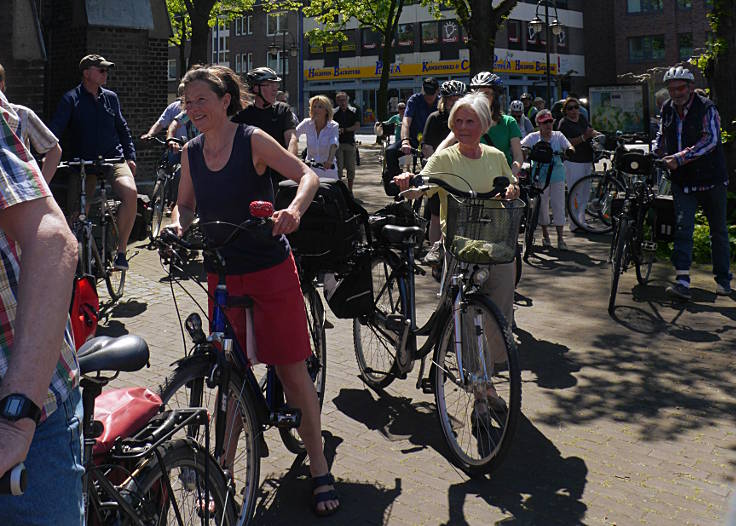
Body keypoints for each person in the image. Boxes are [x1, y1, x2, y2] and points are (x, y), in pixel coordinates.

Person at [167, 65, 339, 516]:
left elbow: (307, 176)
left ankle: (319, 465)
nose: (193, 109)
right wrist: (176, 223)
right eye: (188, 103)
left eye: (201, 100)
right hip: (222, 273)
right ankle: (222, 465)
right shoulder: (190, 151)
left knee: (289, 369)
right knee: (229, 375)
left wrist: (293, 212)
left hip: (267, 267)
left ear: (226, 100)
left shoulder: (252, 140)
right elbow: (185, 204)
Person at [393, 92, 520, 389]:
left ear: (484, 125)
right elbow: (422, 184)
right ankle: (481, 385)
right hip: (460, 244)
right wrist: (408, 183)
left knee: (499, 312)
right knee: (465, 314)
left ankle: (488, 367)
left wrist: (511, 191)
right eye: (458, 121)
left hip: (494, 242)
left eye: (470, 121)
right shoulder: (445, 158)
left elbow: (510, 185)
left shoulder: (496, 156)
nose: (463, 127)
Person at [0, 89, 82, 525]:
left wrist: (15, 420)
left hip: (26, 412)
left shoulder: (20, 113)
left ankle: (123, 247)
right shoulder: (70, 98)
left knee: (127, 192)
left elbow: (55, 147)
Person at [49, 54, 138, 270]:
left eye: (106, 70)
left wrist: (130, 156)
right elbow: (55, 131)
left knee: (130, 193)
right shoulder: (71, 99)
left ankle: (121, 252)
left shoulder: (111, 98)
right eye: (101, 70)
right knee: (76, 212)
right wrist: (47, 152)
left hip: (113, 158)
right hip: (84, 163)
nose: (106, 74)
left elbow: (122, 128)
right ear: (87, 73)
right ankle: (73, 261)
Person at [653, 65, 731, 299]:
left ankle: (723, 280)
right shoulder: (667, 108)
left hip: (711, 179)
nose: (676, 93)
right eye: (672, 89)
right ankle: (682, 281)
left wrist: (679, 157)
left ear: (691, 88)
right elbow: (662, 135)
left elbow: (711, 140)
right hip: (683, 181)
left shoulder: (706, 108)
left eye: (680, 88)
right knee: (682, 228)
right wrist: (657, 151)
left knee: (718, 231)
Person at [436, 72, 524, 178]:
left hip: (500, 179)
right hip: (471, 179)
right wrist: (432, 163)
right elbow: (447, 142)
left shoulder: (509, 122)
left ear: (495, 97)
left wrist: (511, 175)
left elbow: (518, 156)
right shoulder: (466, 121)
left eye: (486, 93)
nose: (481, 97)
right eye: (477, 93)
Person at [421, 80, 467, 265]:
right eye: (451, 100)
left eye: (458, 99)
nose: (454, 103)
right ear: (444, 101)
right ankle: (436, 256)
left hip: (463, 172)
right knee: (436, 215)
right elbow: (427, 146)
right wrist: (436, 166)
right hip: (441, 172)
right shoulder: (435, 118)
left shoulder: (466, 120)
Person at [231, 67, 298, 193]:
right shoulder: (243, 115)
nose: (275, 88)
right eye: (270, 84)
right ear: (256, 88)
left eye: (276, 84)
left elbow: (292, 139)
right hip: (251, 176)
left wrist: (291, 163)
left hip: (280, 174)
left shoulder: (282, 110)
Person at [521, 109, 573, 250]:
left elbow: (568, 146)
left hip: (557, 174)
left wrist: (569, 150)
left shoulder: (558, 136)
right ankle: (545, 235)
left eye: (550, 122)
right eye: (545, 123)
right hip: (539, 175)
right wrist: (525, 150)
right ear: (539, 124)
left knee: (558, 205)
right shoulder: (533, 137)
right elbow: (521, 146)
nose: (548, 125)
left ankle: (561, 238)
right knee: (542, 207)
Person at [0, 64, 62, 183]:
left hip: (17, 191)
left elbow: (54, 149)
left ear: (1, 85)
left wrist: (41, 187)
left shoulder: (22, 114)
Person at [382, 78, 440, 190]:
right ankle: (398, 186)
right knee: (390, 151)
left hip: (432, 143)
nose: (428, 98)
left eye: (431, 95)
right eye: (426, 94)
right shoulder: (414, 100)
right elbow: (406, 123)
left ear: (437, 91)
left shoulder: (441, 102)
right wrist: (405, 141)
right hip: (414, 140)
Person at [556, 96, 599, 231]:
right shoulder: (564, 124)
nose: (574, 111)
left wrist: (599, 135)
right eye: (570, 108)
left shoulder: (582, 119)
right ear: (565, 111)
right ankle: (574, 223)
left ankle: (581, 221)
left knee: (585, 193)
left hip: (587, 159)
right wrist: (584, 137)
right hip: (574, 162)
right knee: (575, 191)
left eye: (576, 107)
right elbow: (567, 143)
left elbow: (591, 131)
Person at [291, 95, 339, 180]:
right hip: (310, 168)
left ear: (326, 111)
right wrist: (293, 156)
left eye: (320, 107)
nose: (316, 109)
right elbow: (293, 136)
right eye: (314, 107)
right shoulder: (307, 123)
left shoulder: (333, 125)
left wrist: (329, 160)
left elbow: (334, 143)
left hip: (328, 168)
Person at [332, 91, 361, 192]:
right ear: (337, 101)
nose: (342, 102)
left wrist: (345, 129)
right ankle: (339, 191)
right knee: (338, 169)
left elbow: (357, 125)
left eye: (344, 100)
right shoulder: (334, 112)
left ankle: (350, 191)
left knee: (350, 168)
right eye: (340, 100)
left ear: (347, 99)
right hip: (337, 144)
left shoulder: (354, 111)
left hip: (350, 143)